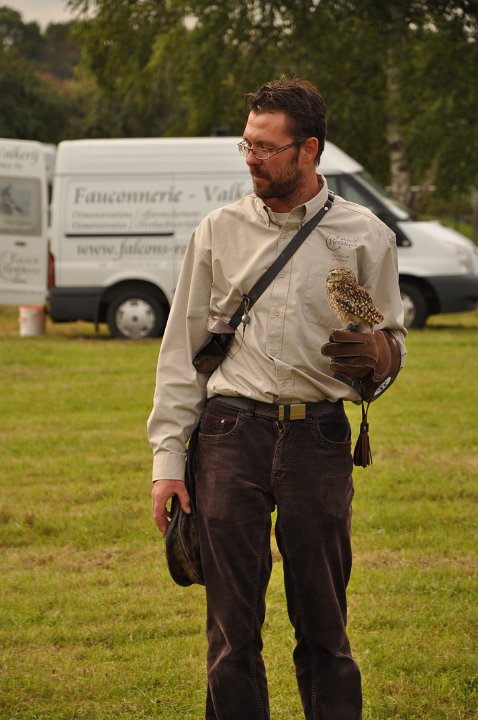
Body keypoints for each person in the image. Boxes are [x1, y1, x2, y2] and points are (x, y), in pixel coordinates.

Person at [148, 78, 406, 720]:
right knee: (231, 630)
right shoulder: (218, 230)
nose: (252, 159)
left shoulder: (365, 235)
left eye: (266, 147)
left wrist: (382, 357)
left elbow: (392, 339)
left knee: (324, 623)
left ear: (308, 149)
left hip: (319, 437)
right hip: (230, 433)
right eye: (247, 144)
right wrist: (167, 462)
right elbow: (181, 351)